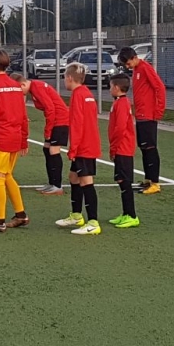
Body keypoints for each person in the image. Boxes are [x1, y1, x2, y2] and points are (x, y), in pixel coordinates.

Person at [0, 51, 30, 233]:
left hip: (1, 136)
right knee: (7, 174)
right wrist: (24, 138)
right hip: (15, 136)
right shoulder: (16, 86)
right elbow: (23, 114)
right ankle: (21, 214)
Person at [55, 63, 103, 236]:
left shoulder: (77, 95)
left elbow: (77, 124)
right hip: (89, 143)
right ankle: (76, 215)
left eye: (64, 78)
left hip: (84, 146)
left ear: (69, 78)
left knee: (86, 181)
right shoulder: (87, 93)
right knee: (73, 177)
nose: (64, 81)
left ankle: (93, 222)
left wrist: (73, 149)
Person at [118, 47, 167, 195]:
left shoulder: (145, 68)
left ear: (134, 58)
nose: (127, 67)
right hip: (140, 115)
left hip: (149, 115)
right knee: (144, 148)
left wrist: (158, 110)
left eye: (128, 63)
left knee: (150, 148)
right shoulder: (136, 70)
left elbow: (160, 88)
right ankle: (148, 179)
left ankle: (155, 183)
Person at [11, 73, 69, 195]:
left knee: (53, 150)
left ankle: (57, 186)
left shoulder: (37, 87)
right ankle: (52, 182)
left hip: (61, 120)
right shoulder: (34, 88)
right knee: (46, 149)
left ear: (23, 85)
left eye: (18, 90)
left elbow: (50, 108)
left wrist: (48, 130)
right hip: (56, 120)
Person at [108, 75, 139, 229]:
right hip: (121, 147)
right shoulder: (120, 102)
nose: (109, 89)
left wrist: (113, 147)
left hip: (123, 148)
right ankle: (126, 213)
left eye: (110, 86)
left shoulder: (122, 103)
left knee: (125, 182)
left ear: (116, 87)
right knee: (121, 181)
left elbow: (120, 128)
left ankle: (132, 215)